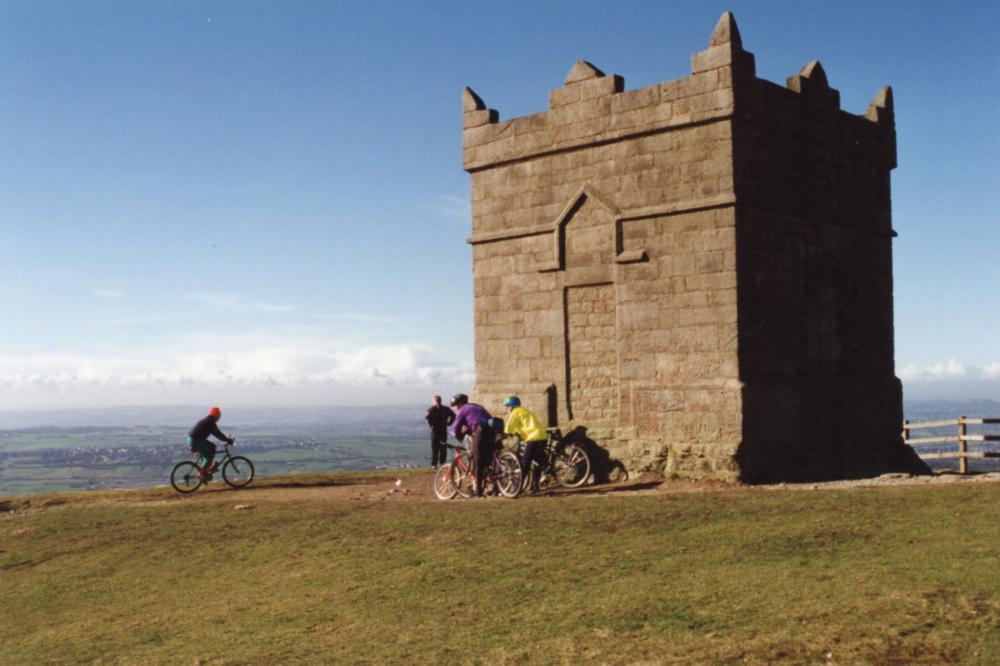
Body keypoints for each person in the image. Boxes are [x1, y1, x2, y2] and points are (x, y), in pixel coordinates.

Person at [450, 393, 494, 497]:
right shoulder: (476, 406)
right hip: (492, 431)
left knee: (477, 460)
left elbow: (455, 428)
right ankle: (494, 485)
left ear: (460, 403)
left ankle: (478, 492)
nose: (456, 408)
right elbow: (474, 422)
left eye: (456, 405)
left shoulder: (463, 409)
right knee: (488, 459)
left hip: (481, 431)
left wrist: (458, 437)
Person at [502, 395, 548, 493]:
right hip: (542, 436)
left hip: (533, 438)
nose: (507, 409)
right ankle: (535, 485)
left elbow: (508, 428)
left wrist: (504, 435)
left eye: (507, 406)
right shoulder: (525, 410)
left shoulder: (516, 412)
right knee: (537, 462)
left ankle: (517, 488)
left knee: (525, 464)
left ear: (511, 406)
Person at [188, 406, 234, 479]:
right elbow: (218, 434)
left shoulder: (210, 420)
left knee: (213, 447)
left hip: (195, 439)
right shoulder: (210, 422)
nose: (220, 417)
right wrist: (227, 440)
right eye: (219, 415)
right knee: (208, 457)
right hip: (195, 440)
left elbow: (218, 432)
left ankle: (208, 467)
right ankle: (202, 473)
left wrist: (226, 439)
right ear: (215, 414)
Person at [424, 395, 455, 468]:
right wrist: (449, 423)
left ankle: (434, 464)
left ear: (434, 401)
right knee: (443, 448)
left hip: (435, 431)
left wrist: (431, 424)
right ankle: (442, 463)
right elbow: (453, 415)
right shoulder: (446, 409)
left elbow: (426, 417)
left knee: (435, 448)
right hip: (443, 430)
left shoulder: (432, 409)